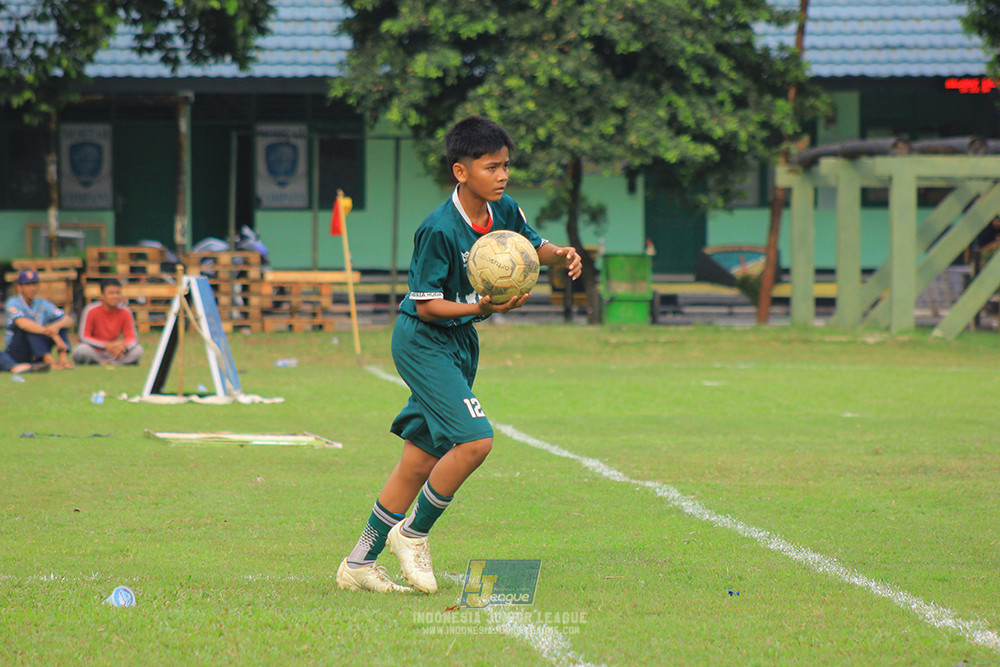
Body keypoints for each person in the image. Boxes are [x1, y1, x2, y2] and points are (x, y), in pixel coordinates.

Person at [335, 116, 582, 594]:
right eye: (491, 167)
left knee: (419, 458)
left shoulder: (503, 207)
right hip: (424, 340)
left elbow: (532, 246)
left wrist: (561, 252)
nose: (503, 175)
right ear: (461, 171)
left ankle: (359, 561)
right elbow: (426, 306)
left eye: (506, 166)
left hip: (461, 341)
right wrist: (480, 306)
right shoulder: (438, 229)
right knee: (475, 441)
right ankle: (412, 534)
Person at [4, 269, 75, 370]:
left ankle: (63, 359)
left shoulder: (42, 303)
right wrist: (51, 333)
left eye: (34, 284)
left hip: (36, 346)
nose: (32, 288)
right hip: (17, 349)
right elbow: (23, 324)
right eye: (28, 285)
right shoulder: (13, 303)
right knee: (30, 328)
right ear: (19, 287)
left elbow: (68, 320)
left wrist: (55, 327)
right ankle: (48, 360)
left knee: (58, 323)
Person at [72, 278, 143, 366]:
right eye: (111, 293)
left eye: (118, 293)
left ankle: (110, 363)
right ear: (102, 295)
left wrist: (123, 347)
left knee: (138, 350)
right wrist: (106, 345)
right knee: (81, 350)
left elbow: (132, 338)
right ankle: (108, 362)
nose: (115, 296)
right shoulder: (90, 310)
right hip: (96, 351)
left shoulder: (126, 312)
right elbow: (84, 337)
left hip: (116, 352)